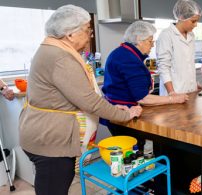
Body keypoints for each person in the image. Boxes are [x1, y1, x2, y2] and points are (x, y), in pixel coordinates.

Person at [19, 5, 142, 195]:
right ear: (69, 34)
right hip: (51, 142)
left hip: (43, 135)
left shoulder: (52, 49)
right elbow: (90, 102)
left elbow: (79, 95)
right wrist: (126, 114)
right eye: (87, 30)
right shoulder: (60, 58)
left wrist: (112, 106)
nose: (90, 35)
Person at [102, 21, 188, 136]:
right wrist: (173, 99)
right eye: (150, 41)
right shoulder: (129, 59)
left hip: (115, 111)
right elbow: (143, 98)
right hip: (124, 114)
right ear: (139, 40)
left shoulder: (121, 52)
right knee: (132, 150)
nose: (152, 45)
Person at [156, 0, 202, 96]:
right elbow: (163, 67)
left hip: (190, 92)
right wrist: (172, 93)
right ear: (181, 17)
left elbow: (187, 64)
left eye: (197, 21)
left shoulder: (191, 35)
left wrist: (193, 84)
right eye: (193, 21)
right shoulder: (166, 35)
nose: (196, 25)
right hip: (174, 93)